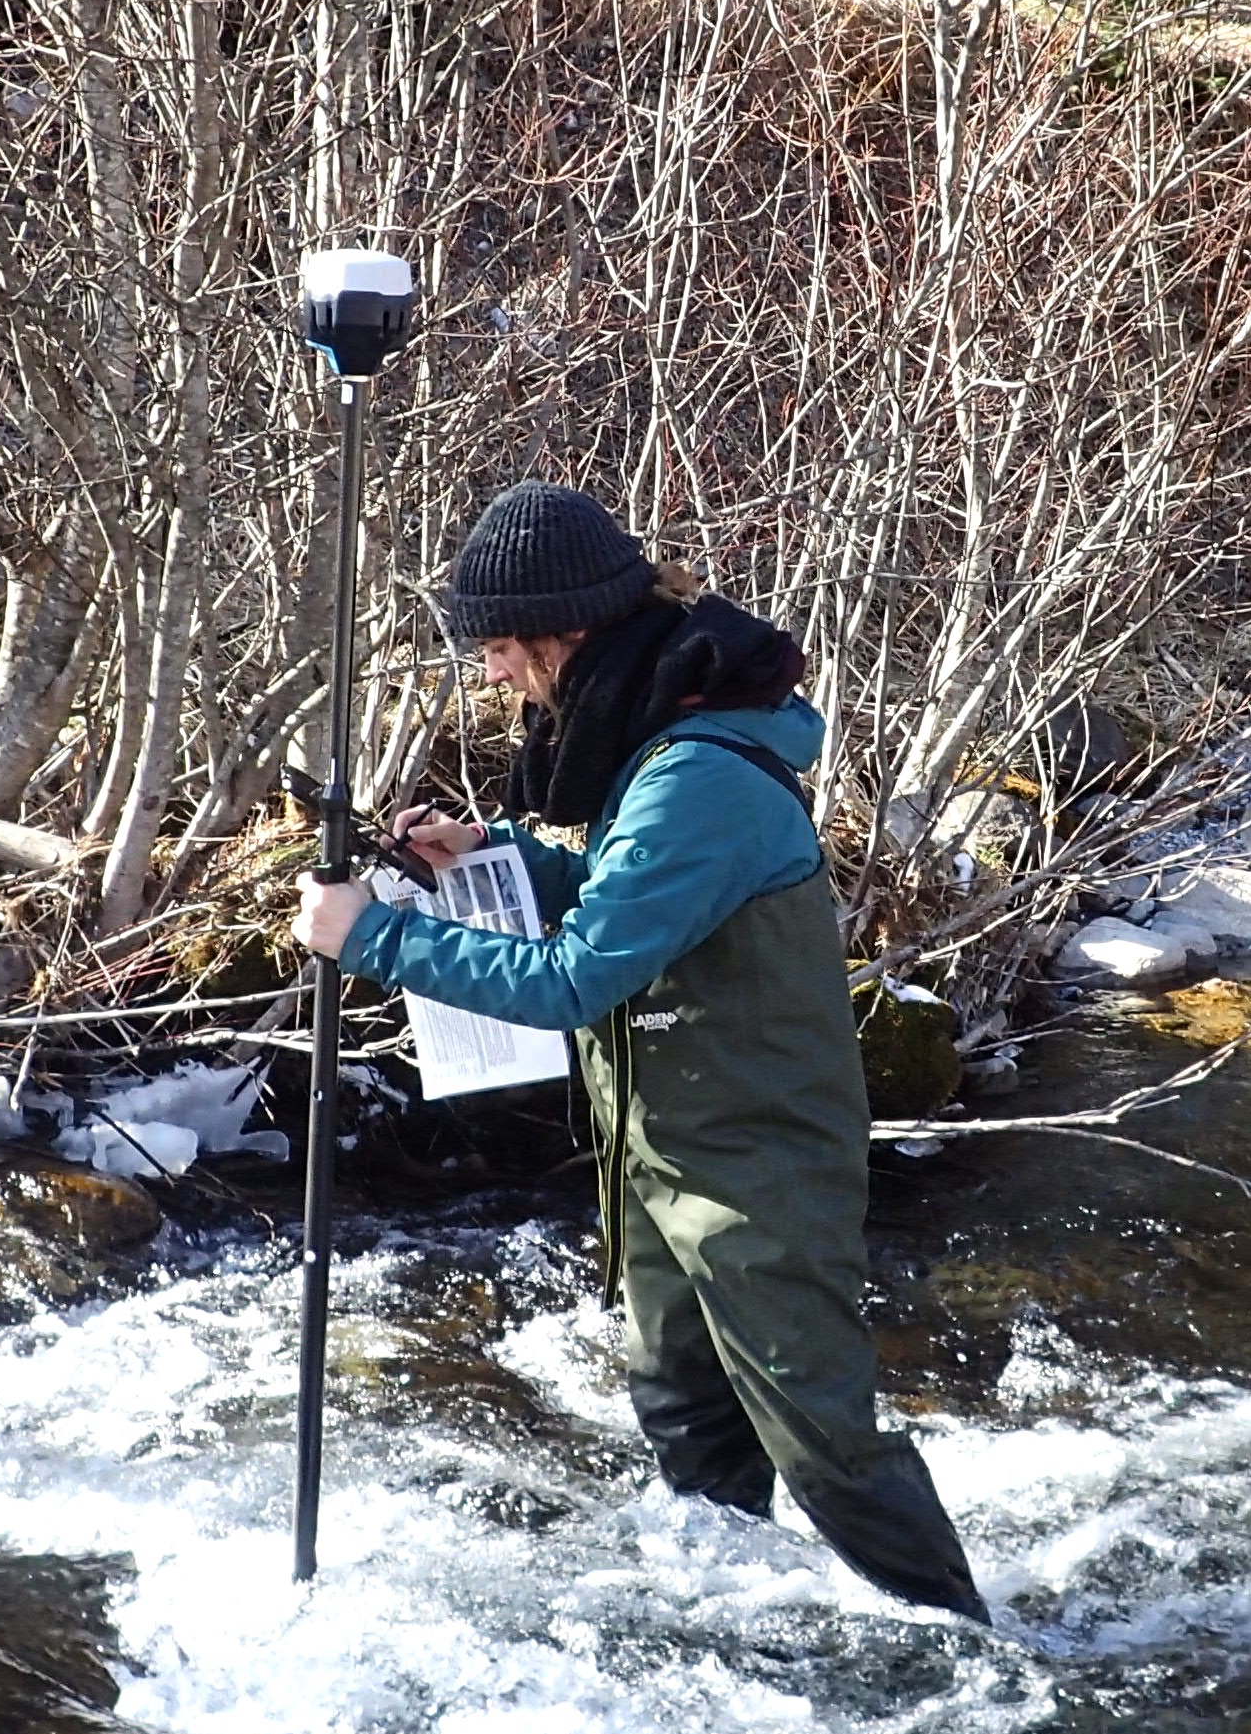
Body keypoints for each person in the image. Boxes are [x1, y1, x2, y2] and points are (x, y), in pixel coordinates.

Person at [289, 482, 988, 1622]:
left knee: (824, 1444)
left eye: (500, 649)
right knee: (687, 1413)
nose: (493, 674)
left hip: (755, 1167)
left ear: (565, 633)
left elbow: (576, 979)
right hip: (668, 1153)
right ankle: (735, 1620)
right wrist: (496, 853)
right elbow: (634, 895)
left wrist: (372, 938)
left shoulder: (696, 778)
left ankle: (968, 1648)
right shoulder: (661, 750)